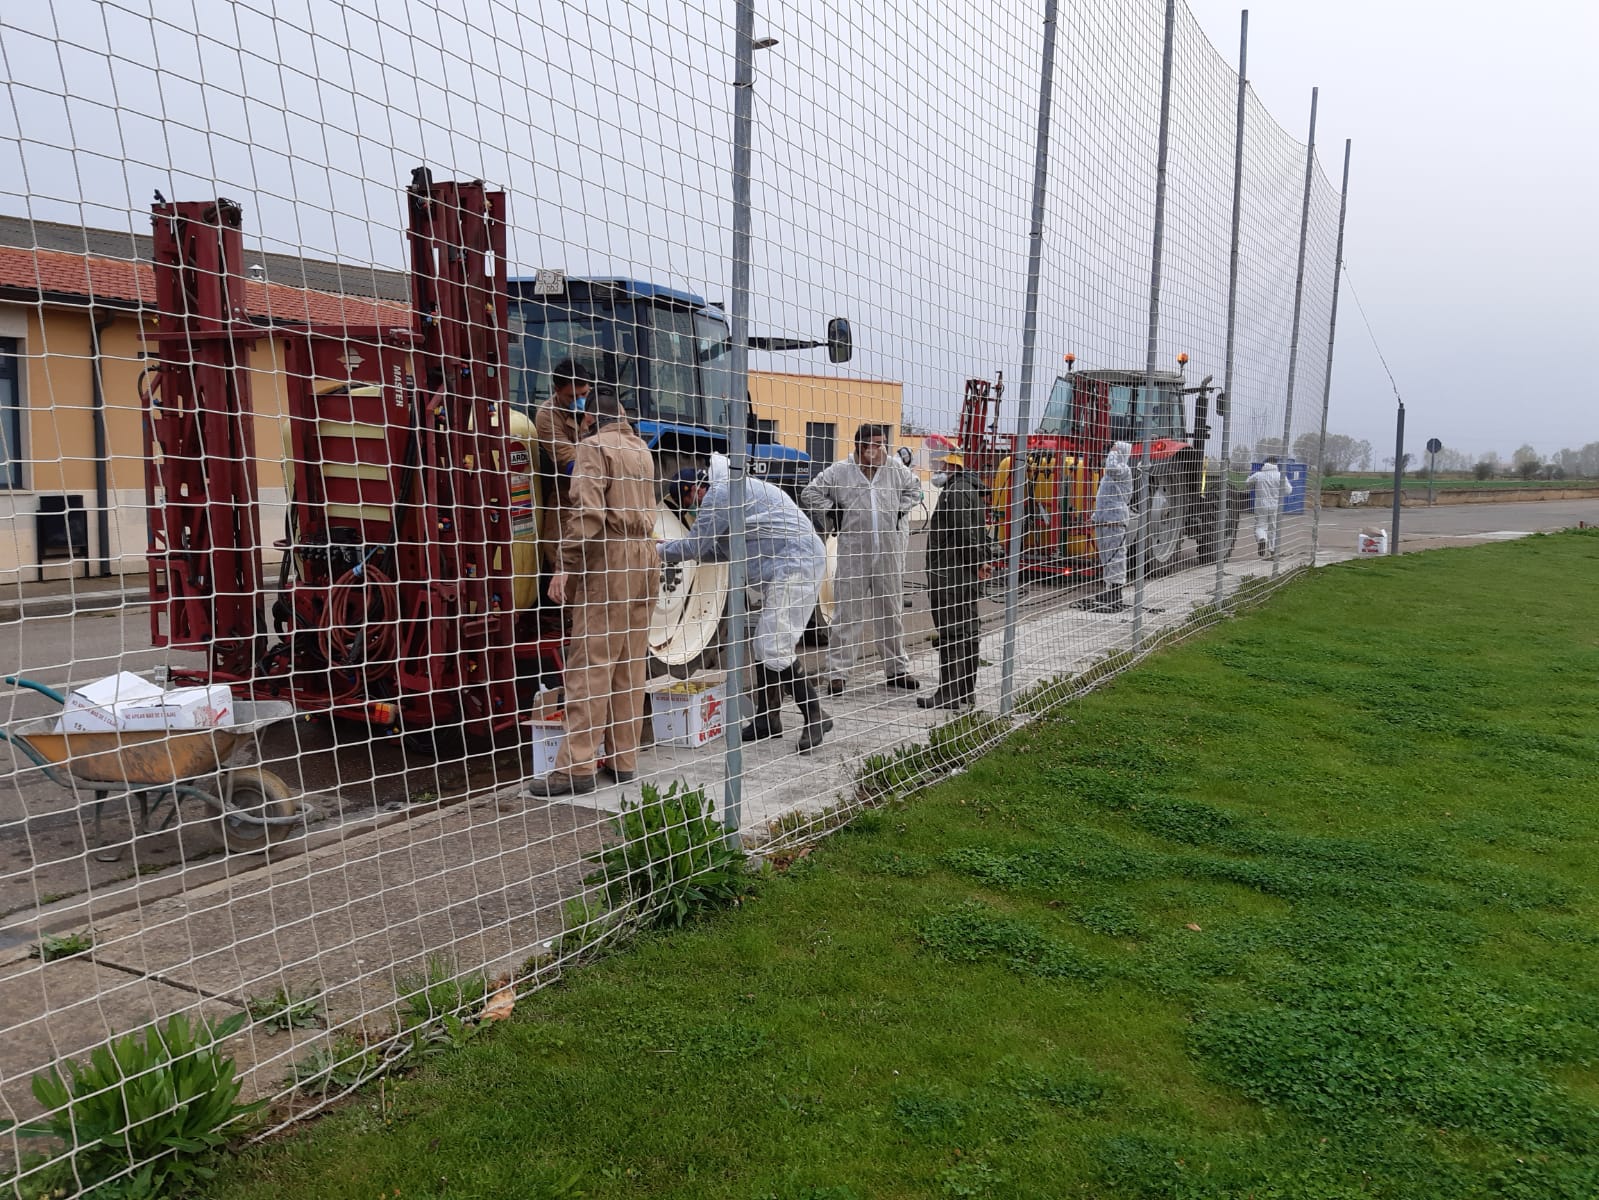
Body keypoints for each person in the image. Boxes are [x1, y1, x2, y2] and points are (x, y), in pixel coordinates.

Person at [526, 388, 660, 797]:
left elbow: (587, 514)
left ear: (587, 420)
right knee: (629, 664)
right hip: (646, 557)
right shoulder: (642, 451)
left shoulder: (592, 449)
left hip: (611, 560)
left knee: (590, 664)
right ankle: (623, 760)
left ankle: (577, 768)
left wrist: (563, 566)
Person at [658, 457, 832, 753]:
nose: (691, 509)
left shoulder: (720, 493)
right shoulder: (731, 492)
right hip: (784, 564)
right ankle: (767, 718)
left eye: (687, 501)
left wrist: (657, 551)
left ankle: (816, 714)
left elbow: (694, 546)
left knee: (772, 644)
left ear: (694, 489)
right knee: (766, 640)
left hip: (796, 563)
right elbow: (721, 551)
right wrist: (684, 553)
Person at [801, 423, 923, 696]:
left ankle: (897, 669)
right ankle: (837, 674)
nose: (875, 450)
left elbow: (915, 490)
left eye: (880, 444)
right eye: (869, 445)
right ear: (858, 445)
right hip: (853, 553)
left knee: (891, 612)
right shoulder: (841, 472)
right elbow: (810, 493)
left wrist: (898, 513)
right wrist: (833, 513)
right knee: (847, 613)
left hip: (889, 553)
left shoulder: (894, 469)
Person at [918, 441, 996, 710]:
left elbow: (966, 534)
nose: (935, 469)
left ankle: (949, 693)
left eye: (938, 464)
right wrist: (981, 561)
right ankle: (964, 692)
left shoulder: (956, 492)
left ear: (949, 464)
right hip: (961, 571)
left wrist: (977, 561)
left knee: (953, 631)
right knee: (966, 630)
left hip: (950, 573)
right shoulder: (966, 489)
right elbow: (977, 531)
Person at [532, 358, 594, 570]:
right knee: (562, 556)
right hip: (569, 494)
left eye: (584, 394)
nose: (580, 400)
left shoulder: (605, 405)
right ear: (557, 390)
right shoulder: (546, 416)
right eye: (572, 396)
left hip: (609, 493)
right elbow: (571, 463)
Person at [1073, 440, 1134, 614]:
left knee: (1116, 557)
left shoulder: (1122, 471)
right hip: (1104, 519)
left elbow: (1112, 467)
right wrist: (1094, 518)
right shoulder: (1109, 477)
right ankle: (1110, 591)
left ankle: (1116, 594)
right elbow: (1104, 499)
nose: (1110, 452)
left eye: (1115, 450)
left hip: (1114, 520)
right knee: (1106, 558)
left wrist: (1114, 452)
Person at [1246, 456, 1293, 558]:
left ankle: (1262, 539)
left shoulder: (1259, 475)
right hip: (1275, 504)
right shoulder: (1280, 476)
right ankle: (1272, 550)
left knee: (1260, 526)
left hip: (1261, 504)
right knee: (1273, 528)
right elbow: (1288, 490)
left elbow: (1247, 483)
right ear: (1276, 464)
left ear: (1265, 464)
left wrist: (1251, 479)